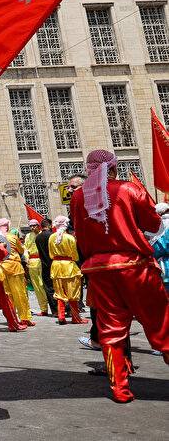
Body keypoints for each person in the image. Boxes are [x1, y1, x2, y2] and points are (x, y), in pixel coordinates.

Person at [70, 150, 169, 402]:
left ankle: (120, 389)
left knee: (111, 330)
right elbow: (154, 225)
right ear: (113, 168)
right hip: (133, 265)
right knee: (161, 324)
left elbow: (80, 234)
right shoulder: (128, 189)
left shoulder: (78, 196)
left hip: (99, 269)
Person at [48, 216, 88, 325]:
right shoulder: (70, 238)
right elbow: (75, 256)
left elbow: (51, 254)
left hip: (56, 267)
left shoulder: (51, 238)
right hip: (69, 267)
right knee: (73, 292)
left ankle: (61, 315)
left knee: (59, 292)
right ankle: (75, 317)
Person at [0, 219, 34, 326]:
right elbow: (21, 251)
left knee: (8, 295)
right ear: (7, 226)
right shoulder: (12, 237)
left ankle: (12, 319)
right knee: (20, 294)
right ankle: (24, 318)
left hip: (2, 268)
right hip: (15, 267)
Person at [24, 219, 50, 316]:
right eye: (31, 226)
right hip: (32, 264)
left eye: (34, 226)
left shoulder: (42, 235)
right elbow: (25, 249)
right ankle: (43, 308)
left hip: (42, 262)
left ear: (38, 226)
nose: (32, 228)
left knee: (45, 284)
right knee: (37, 287)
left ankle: (54, 305)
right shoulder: (28, 236)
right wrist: (26, 257)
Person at [35, 218, 59, 315]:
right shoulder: (53, 236)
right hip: (56, 264)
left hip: (44, 265)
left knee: (49, 289)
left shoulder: (38, 238)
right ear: (49, 225)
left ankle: (55, 311)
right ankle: (66, 308)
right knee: (59, 287)